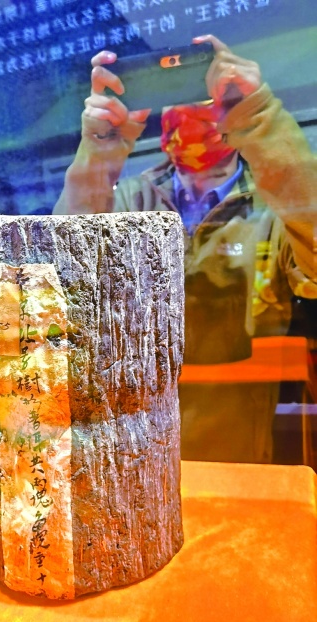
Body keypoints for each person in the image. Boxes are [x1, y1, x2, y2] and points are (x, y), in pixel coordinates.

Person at [54, 35, 317, 464]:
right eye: (175, 97)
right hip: (132, 450)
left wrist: (261, 119)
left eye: (206, 97)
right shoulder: (129, 198)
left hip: (240, 453)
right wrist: (99, 152)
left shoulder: (275, 202)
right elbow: (63, 274)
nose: (190, 112)